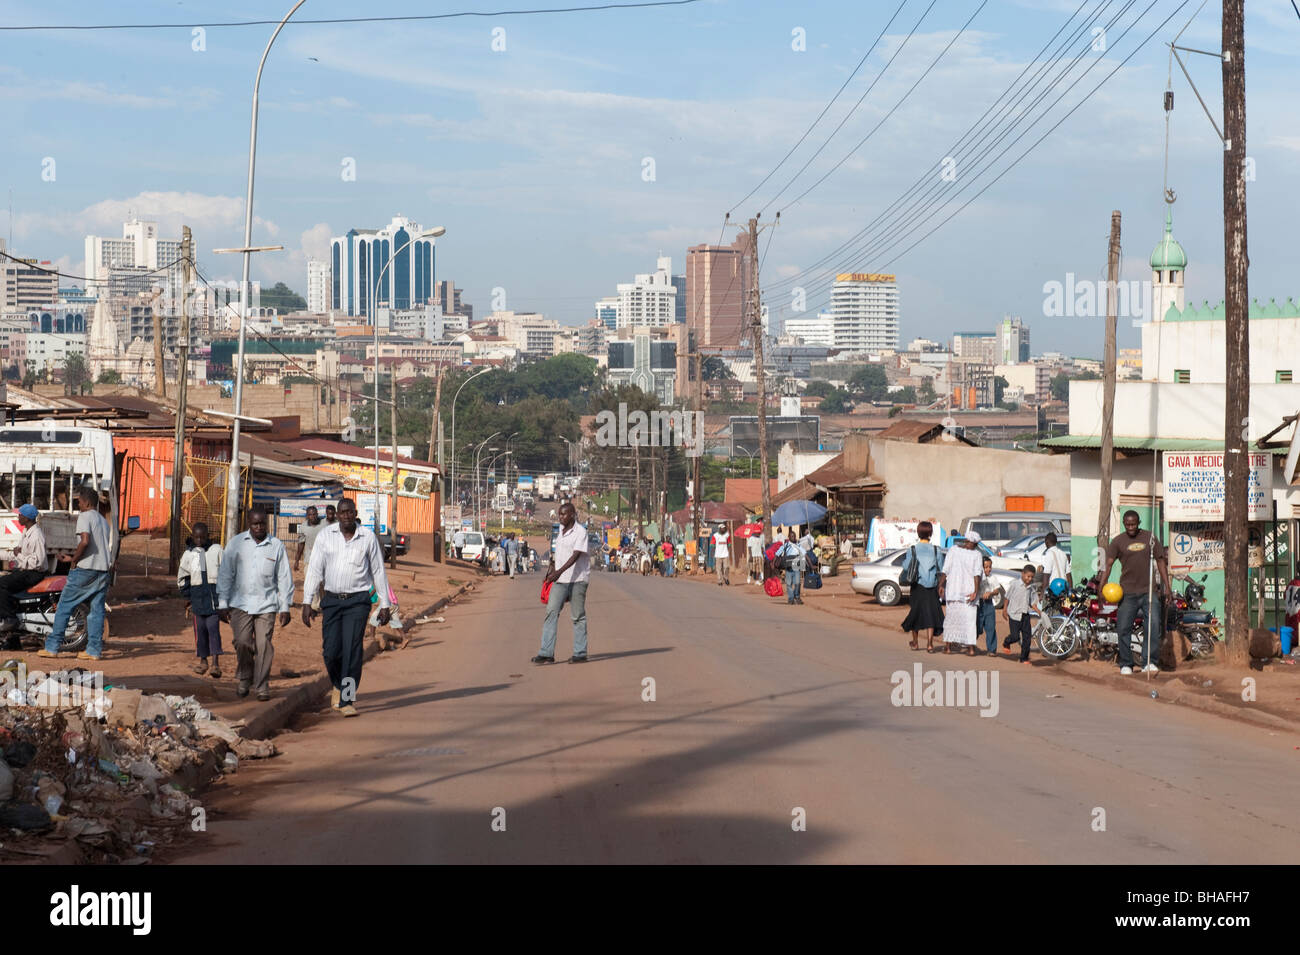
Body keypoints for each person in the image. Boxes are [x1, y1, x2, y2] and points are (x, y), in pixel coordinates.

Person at [302, 497, 391, 716]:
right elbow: (315, 569)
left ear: (355, 513)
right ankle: (338, 684)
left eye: (350, 512)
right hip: (331, 600)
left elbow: (378, 571)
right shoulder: (325, 536)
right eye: (342, 512)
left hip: (358, 601)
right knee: (331, 651)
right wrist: (307, 601)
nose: (346, 516)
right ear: (338, 515)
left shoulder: (367, 538)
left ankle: (348, 699)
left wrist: (385, 603)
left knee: (352, 650)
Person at [217, 506, 292, 701]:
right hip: (240, 603)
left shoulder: (276, 546)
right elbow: (225, 574)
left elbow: (284, 577)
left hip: (267, 604)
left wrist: (285, 606)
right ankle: (245, 677)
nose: (259, 527)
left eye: (262, 524)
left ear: (266, 524)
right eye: (255, 524)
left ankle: (262, 685)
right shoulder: (236, 544)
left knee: (263, 644)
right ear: (248, 524)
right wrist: (223, 602)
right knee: (242, 642)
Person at [41, 486, 112, 661]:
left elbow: (85, 541)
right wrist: (72, 557)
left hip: (85, 570)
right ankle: (93, 651)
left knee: (65, 606)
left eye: (79, 501)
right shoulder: (103, 520)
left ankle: (52, 647)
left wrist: (74, 561)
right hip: (103, 570)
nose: (78, 503)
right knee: (96, 611)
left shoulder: (85, 516)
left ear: (87, 502)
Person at [1101, 510, 1171, 675]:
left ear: (1138, 522)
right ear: (1124, 523)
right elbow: (1108, 565)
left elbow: (1161, 562)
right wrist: (1101, 586)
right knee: (1123, 628)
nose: (1130, 527)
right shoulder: (1118, 541)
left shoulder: (1150, 538)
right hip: (1127, 593)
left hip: (1149, 591)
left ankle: (1149, 662)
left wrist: (1166, 587)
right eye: (1127, 524)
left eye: (1133, 524)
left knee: (1152, 626)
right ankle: (1126, 663)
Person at [534, 502, 589, 665]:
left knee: (578, 616)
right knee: (551, 612)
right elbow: (557, 554)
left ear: (572, 514)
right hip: (560, 581)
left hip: (577, 580)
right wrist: (551, 570)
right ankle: (546, 653)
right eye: (559, 514)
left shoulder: (581, 532)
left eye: (564, 514)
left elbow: (575, 555)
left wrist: (558, 572)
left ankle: (580, 653)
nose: (560, 517)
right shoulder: (560, 530)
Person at [178, 521, 224, 678]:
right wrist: (188, 596)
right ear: (192, 537)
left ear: (208, 537)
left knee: (213, 629)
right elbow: (183, 577)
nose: (199, 541)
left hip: (213, 599)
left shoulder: (216, 550)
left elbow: (225, 572)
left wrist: (224, 597)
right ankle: (203, 660)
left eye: (202, 538)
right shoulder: (188, 555)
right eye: (196, 538)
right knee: (200, 631)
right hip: (197, 599)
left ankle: (215, 664)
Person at [0, 503, 47, 645]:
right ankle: (13, 641)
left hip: (33, 573)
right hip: (26, 571)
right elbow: (15, 554)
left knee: (2, 584)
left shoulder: (36, 535)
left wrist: (18, 555)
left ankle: (9, 619)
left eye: (20, 515)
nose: (18, 517)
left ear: (27, 517)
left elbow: (37, 562)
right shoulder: (27, 533)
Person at [899, 521, 944, 651]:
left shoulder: (913, 549)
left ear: (918, 533)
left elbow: (906, 566)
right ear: (930, 533)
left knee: (916, 613)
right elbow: (941, 569)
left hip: (917, 586)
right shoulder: (936, 550)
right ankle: (930, 644)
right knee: (931, 614)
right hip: (932, 587)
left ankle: (915, 642)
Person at [938, 532, 984, 656]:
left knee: (954, 619)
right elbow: (977, 574)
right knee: (966, 621)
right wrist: (975, 591)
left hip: (958, 591)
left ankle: (953, 648)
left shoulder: (955, 550)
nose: (972, 546)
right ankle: (968, 649)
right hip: (963, 591)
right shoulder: (975, 554)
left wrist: (941, 585)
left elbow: (945, 569)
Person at [1002, 564, 1041, 663]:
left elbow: (1032, 602)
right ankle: (1007, 642)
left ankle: (1024, 658)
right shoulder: (1014, 584)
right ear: (1022, 574)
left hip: (1025, 615)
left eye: (1032, 577)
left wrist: (1038, 611)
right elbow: (1007, 597)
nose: (1029, 579)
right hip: (1014, 615)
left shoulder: (1032, 587)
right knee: (1015, 637)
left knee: (1027, 638)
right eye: (1028, 576)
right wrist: (1004, 609)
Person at [975, 555, 1003, 656]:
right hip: (978, 604)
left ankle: (991, 650)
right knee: (976, 627)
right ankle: (971, 645)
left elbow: (996, 590)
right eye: (986, 567)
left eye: (990, 567)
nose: (988, 569)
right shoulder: (977, 577)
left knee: (990, 627)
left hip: (989, 605)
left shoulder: (993, 578)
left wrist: (990, 593)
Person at [777, 530, 806, 605]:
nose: (793, 538)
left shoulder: (798, 545)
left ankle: (797, 596)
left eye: (794, 536)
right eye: (792, 536)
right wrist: (774, 563)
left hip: (796, 565)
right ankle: (790, 598)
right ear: (789, 537)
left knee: (797, 583)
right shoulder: (786, 545)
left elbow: (805, 554)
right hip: (788, 567)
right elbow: (777, 554)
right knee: (789, 584)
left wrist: (810, 564)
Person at [294, 506, 323, 574]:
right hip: (309, 559)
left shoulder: (323, 525)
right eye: (310, 515)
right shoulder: (303, 526)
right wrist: (297, 561)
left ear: (317, 514)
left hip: (322, 559)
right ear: (307, 516)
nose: (312, 516)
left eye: (314, 514)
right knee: (309, 582)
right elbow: (301, 544)